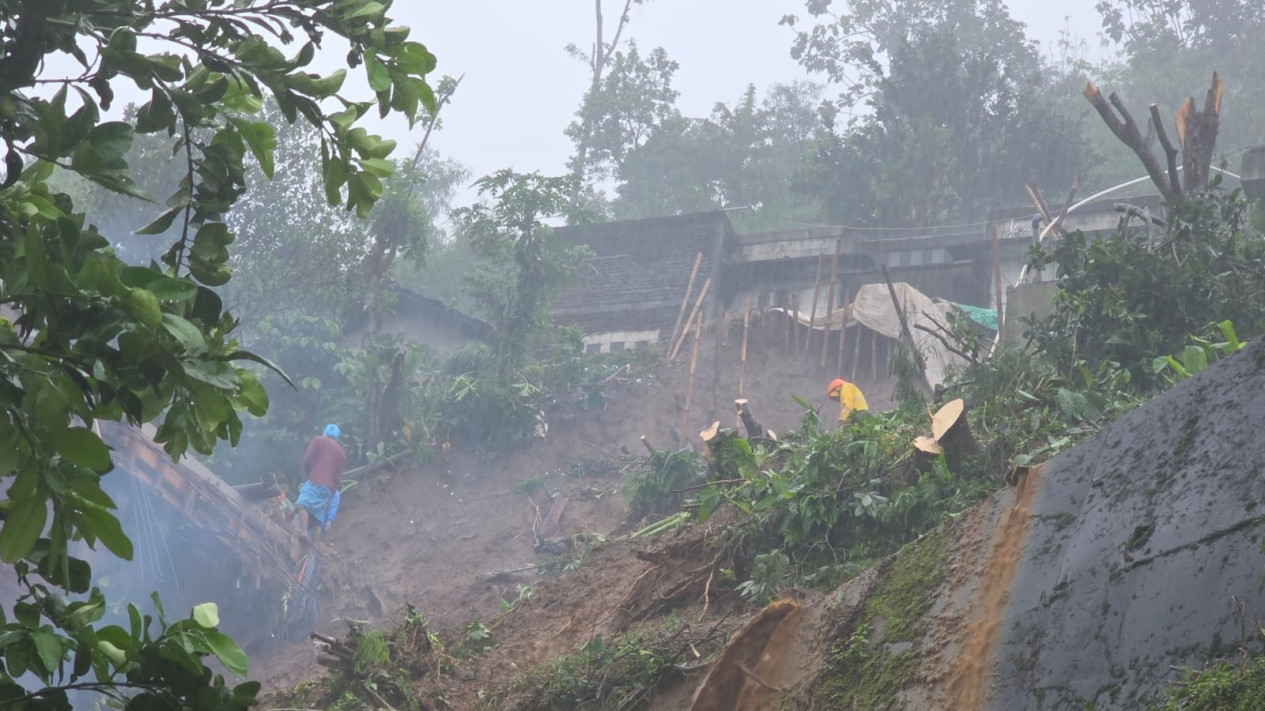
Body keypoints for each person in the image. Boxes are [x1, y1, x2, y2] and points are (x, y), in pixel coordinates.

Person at [295, 423, 347, 542]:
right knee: (318, 518)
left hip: (316, 480)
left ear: (325, 432)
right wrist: (332, 491)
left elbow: (308, 458)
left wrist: (311, 472)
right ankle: (314, 544)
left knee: (301, 504)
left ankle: (303, 533)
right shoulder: (341, 454)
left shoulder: (319, 440)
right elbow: (338, 477)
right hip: (329, 489)